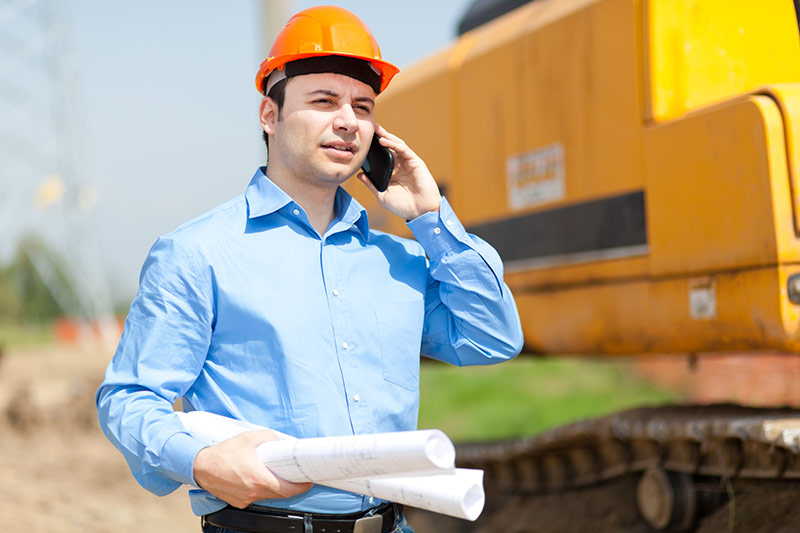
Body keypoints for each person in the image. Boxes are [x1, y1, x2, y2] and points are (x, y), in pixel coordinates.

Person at [96, 6, 523, 533]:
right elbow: (129, 399)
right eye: (323, 101)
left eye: (363, 106)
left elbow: (493, 338)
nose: (347, 120)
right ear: (268, 115)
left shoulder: (402, 260)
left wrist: (432, 220)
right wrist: (202, 461)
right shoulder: (197, 254)